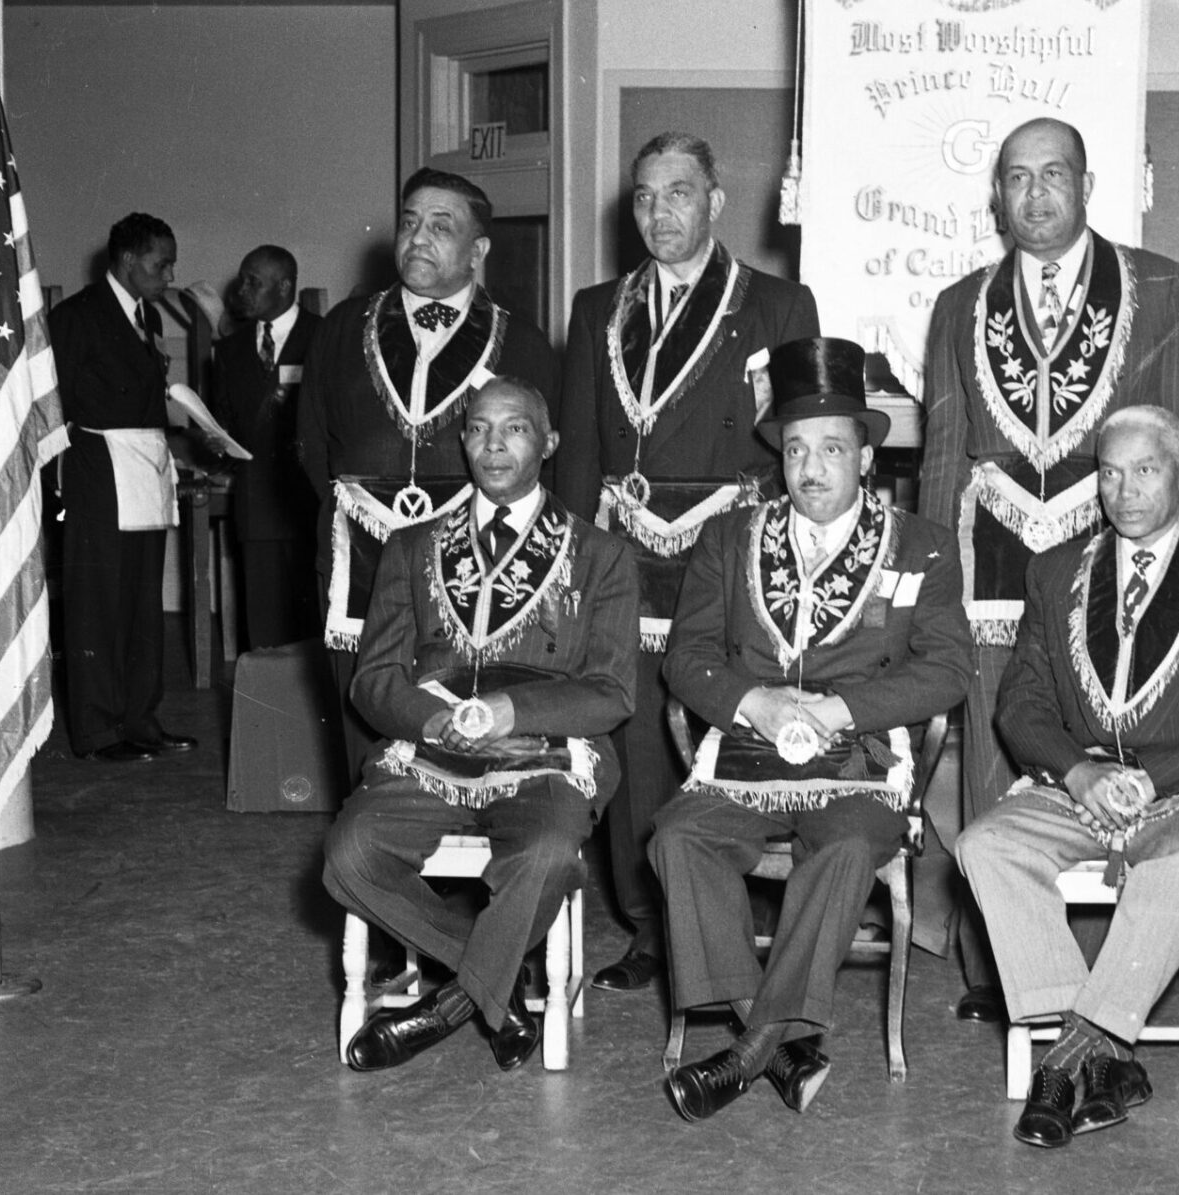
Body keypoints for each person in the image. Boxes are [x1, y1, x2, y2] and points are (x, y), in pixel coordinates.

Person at [918, 116, 1179, 1020]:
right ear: (996, 195)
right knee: (995, 746)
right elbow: (941, 451)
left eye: (1055, 175)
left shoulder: (1157, 283)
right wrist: (933, 592)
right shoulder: (960, 301)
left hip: (1117, 553)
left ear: (1088, 185)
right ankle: (999, 973)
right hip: (990, 554)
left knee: (1122, 738)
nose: (1036, 194)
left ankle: (1118, 971)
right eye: (1017, 178)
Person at [958, 406, 1179, 1149]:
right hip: (1084, 786)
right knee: (985, 844)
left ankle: (1066, 1063)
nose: (1124, 491)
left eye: (1145, 470)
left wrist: (1153, 774)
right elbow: (1022, 704)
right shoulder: (1057, 571)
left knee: (1178, 868)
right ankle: (1106, 1057)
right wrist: (1080, 771)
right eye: (1109, 472)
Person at [652, 336, 974, 1120]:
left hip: (857, 758)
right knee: (675, 839)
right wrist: (753, 702)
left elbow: (950, 670)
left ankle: (747, 1049)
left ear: (866, 458)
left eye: (833, 447)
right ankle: (774, 1041)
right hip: (747, 755)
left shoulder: (921, 546)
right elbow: (686, 658)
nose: (812, 467)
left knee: (845, 851)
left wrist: (840, 709)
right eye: (796, 448)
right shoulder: (730, 539)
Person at [561, 132, 820, 994]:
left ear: (714, 201)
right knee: (633, 735)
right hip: (624, 550)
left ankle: (737, 910)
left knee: (727, 731)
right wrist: (568, 562)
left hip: (727, 552)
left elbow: (795, 444)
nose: (657, 212)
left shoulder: (777, 303)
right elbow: (580, 452)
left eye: (677, 193)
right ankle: (650, 923)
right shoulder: (598, 306)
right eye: (642, 195)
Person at [322, 376, 638, 1074]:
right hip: (432, 746)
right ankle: (492, 981)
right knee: (350, 855)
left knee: (550, 853)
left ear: (549, 442)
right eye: (478, 429)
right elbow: (374, 679)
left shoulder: (600, 553)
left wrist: (511, 711)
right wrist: (437, 721)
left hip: (548, 749)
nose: (493, 445)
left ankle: (449, 1006)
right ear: (461, 439)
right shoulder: (413, 545)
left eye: (515, 428)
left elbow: (613, 693)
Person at [297, 168, 561, 781]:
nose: (420, 238)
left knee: (464, 717)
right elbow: (313, 446)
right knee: (365, 722)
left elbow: (545, 465)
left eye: (442, 227)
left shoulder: (521, 341)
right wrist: (369, 511)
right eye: (411, 223)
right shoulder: (342, 328)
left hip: (474, 558)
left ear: (479, 249)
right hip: (357, 555)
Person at [49, 213, 196, 761]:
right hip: (96, 470)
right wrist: (59, 484)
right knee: (96, 604)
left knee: (141, 601)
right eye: (162, 264)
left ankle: (140, 718)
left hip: (145, 467)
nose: (171, 274)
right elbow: (52, 403)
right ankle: (98, 730)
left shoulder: (147, 317)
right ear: (130, 261)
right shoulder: (76, 317)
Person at [209, 244, 320, 651]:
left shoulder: (324, 337)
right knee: (264, 631)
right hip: (256, 508)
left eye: (253, 282)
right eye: (242, 281)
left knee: (314, 629)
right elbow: (224, 422)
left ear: (285, 286)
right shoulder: (230, 351)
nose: (241, 291)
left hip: (312, 508)